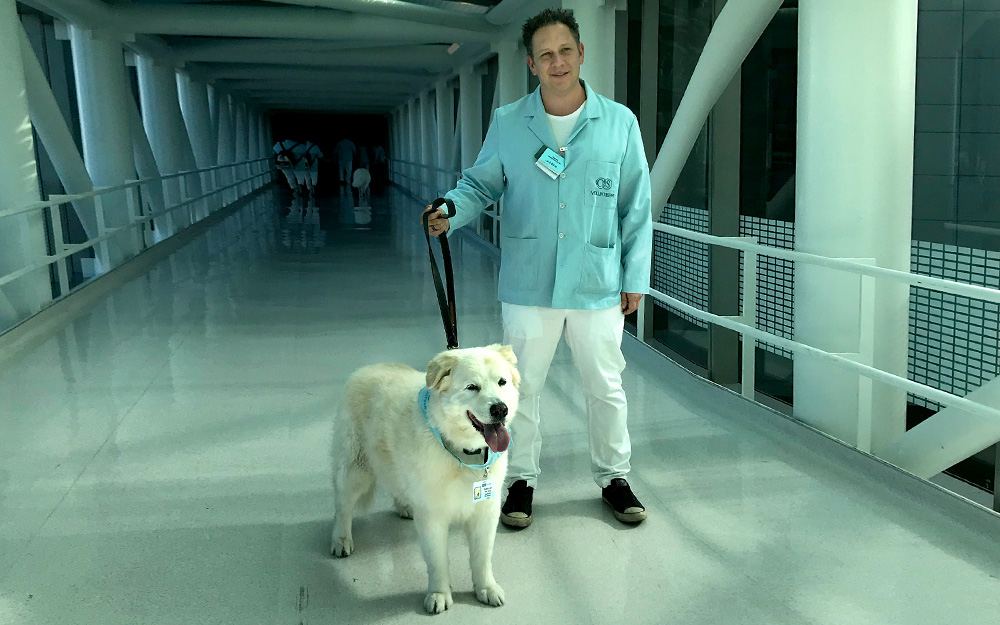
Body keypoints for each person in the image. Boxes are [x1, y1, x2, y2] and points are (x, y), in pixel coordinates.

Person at [422, 8, 653, 528]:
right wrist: (450, 212)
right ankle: (519, 479)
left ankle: (614, 476)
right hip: (530, 283)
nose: (557, 62)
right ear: (531, 63)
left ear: (581, 54)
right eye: (545, 54)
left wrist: (635, 277)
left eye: (565, 51)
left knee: (606, 386)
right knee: (516, 391)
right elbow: (480, 184)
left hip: (598, 282)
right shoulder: (510, 122)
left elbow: (636, 205)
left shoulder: (619, 122)